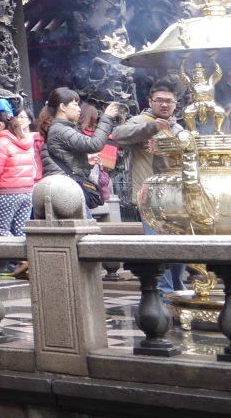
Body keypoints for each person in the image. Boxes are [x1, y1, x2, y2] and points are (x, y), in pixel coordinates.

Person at [112, 80, 187, 294]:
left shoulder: (177, 127)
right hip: (150, 197)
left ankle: (177, 289)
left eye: (169, 101)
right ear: (151, 102)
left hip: (176, 197)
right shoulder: (141, 121)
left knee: (181, 245)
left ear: (175, 104)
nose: (164, 104)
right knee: (160, 245)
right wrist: (151, 128)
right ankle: (164, 295)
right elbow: (118, 135)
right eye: (159, 100)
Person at [39, 87, 118, 214]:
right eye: (75, 105)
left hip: (64, 190)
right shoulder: (61, 130)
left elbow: (65, 157)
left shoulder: (59, 128)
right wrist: (107, 117)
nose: (79, 109)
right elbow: (95, 144)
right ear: (62, 107)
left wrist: (85, 160)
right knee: (85, 226)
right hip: (66, 192)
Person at [0, 107, 38, 237]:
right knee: (21, 230)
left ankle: (15, 252)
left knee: (1, 229)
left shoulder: (0, 143)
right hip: (28, 192)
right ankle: (27, 251)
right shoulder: (25, 141)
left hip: (9, 192)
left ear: (0, 124)